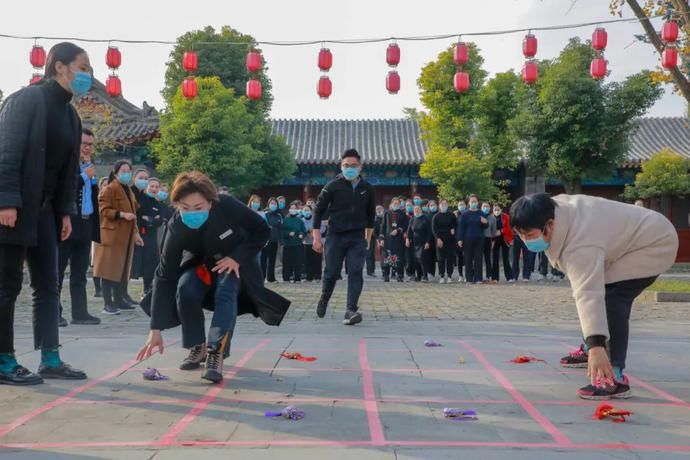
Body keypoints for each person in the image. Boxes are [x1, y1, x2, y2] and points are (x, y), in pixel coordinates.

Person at [510, 193, 678, 400]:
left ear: (549, 225)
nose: (525, 240)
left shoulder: (581, 244)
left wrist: (596, 345)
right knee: (600, 293)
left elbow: (588, 292)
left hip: (654, 244)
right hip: (628, 240)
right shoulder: (549, 209)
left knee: (612, 298)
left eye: (529, 234)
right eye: (520, 234)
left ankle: (613, 376)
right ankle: (591, 349)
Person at [137, 171, 290, 383]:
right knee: (185, 288)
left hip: (235, 261)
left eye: (198, 208)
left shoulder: (226, 205)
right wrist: (155, 329)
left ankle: (215, 352)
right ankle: (197, 346)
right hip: (200, 264)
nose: (192, 213)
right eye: (184, 208)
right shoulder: (176, 226)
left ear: (210, 202)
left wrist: (236, 258)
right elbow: (164, 275)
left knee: (226, 292)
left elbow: (261, 230)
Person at [0, 42, 91, 385]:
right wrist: (5, 201)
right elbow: (6, 153)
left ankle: (50, 357)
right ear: (60, 66)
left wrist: (65, 212)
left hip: (47, 213)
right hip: (14, 209)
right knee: (7, 285)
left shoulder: (71, 115)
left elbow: (68, 171)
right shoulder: (25, 101)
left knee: (48, 285)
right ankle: (4, 360)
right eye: (83, 67)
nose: (87, 75)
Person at [313, 149, 375, 325]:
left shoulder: (367, 188)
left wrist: (367, 240)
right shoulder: (332, 186)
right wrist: (317, 238)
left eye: (354, 166)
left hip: (357, 238)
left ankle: (351, 310)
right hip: (336, 236)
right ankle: (324, 298)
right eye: (346, 165)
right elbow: (317, 212)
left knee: (355, 272)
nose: (350, 168)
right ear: (341, 166)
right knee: (332, 273)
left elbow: (371, 217)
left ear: (360, 167)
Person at [57, 129, 101, 326]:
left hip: (85, 222)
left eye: (90, 144)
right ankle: (53, 311)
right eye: (84, 143)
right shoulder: (65, 163)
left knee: (80, 272)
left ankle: (80, 312)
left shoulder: (88, 166)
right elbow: (62, 187)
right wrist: (83, 176)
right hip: (68, 222)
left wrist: (89, 178)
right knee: (57, 270)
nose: (87, 148)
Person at [93, 160, 144, 315]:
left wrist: (136, 233)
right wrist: (121, 214)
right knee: (108, 270)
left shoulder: (128, 190)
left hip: (126, 236)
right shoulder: (109, 189)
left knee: (121, 270)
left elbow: (134, 214)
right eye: (123, 171)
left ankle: (119, 299)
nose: (127, 174)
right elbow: (103, 210)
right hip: (112, 234)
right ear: (115, 172)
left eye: (129, 170)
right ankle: (108, 303)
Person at [131, 176, 165, 296]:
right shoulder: (142, 200)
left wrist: (149, 219)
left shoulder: (158, 203)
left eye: (156, 187)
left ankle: (147, 289)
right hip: (139, 235)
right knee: (135, 264)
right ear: (147, 187)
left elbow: (160, 220)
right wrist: (151, 219)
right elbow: (139, 216)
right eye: (152, 186)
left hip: (152, 237)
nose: (154, 189)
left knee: (151, 264)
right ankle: (122, 292)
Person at [457, 195, 488, 284]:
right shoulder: (465, 214)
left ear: (478, 203)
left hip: (479, 239)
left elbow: (485, 226)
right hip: (467, 239)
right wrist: (460, 239)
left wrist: (485, 222)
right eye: (472, 202)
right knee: (468, 259)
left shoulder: (481, 213)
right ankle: (469, 279)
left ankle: (478, 278)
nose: (474, 203)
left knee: (478, 259)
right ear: (469, 203)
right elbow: (461, 227)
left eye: (475, 201)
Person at [380, 198, 408, 283]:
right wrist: (381, 238)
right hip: (388, 240)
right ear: (391, 203)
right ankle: (386, 275)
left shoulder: (403, 214)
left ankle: (399, 275)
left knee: (399, 257)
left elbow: (405, 226)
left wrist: (398, 230)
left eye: (398, 203)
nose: (396, 204)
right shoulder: (387, 213)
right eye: (394, 203)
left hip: (398, 240)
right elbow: (383, 226)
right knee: (386, 256)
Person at [407, 205, 433, 282]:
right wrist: (408, 239)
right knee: (416, 259)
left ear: (421, 210)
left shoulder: (426, 219)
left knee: (422, 258)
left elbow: (429, 232)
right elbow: (409, 231)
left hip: (423, 242)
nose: (416, 211)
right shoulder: (412, 219)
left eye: (418, 209)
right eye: (415, 209)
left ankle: (425, 276)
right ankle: (419, 276)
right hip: (414, 243)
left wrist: (428, 242)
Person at [92, 176, 109, 298]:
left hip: (110, 234)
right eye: (104, 184)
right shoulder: (96, 200)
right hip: (97, 233)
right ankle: (98, 289)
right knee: (97, 262)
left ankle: (107, 288)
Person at [432, 199, 456, 283]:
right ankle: (441, 276)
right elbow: (433, 229)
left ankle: (449, 276)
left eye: (445, 204)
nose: (444, 205)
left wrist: (453, 229)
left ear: (448, 205)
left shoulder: (452, 215)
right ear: (439, 205)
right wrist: (438, 239)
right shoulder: (436, 216)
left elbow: (455, 224)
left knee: (450, 258)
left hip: (450, 239)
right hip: (440, 239)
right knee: (441, 259)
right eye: (442, 204)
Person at [282, 202, 306, 283]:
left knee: (298, 262)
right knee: (287, 262)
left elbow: (303, 230)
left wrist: (302, 234)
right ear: (289, 209)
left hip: (298, 244)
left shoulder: (300, 220)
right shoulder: (285, 220)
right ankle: (286, 278)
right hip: (288, 244)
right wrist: (288, 233)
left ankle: (297, 278)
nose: (293, 210)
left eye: (295, 208)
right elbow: (281, 231)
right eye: (291, 208)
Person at [261, 198, 283, 283]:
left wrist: (281, 241)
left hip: (274, 240)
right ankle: (262, 277)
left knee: (272, 260)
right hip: (265, 241)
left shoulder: (279, 216)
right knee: (263, 260)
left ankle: (271, 278)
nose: (273, 205)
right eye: (272, 203)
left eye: (275, 203)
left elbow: (281, 229)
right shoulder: (264, 214)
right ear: (268, 204)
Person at [491, 204, 513, 283]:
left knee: (506, 259)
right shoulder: (491, 217)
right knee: (495, 259)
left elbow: (509, 228)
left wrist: (501, 231)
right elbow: (489, 229)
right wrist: (492, 239)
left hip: (505, 239)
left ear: (501, 210)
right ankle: (495, 278)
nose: (496, 211)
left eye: (498, 210)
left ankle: (509, 277)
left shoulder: (506, 217)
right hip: (495, 240)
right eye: (495, 210)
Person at [302, 205, 322, 282]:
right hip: (306, 243)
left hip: (316, 242)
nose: (306, 212)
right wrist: (307, 231)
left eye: (308, 210)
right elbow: (300, 229)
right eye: (305, 210)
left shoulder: (315, 219)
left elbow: (322, 228)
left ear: (311, 211)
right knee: (307, 260)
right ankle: (308, 277)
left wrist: (314, 232)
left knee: (317, 260)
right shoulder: (301, 220)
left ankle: (317, 276)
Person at [481, 202, 497, 284]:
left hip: (488, 239)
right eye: (484, 206)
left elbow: (494, 231)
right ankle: (478, 276)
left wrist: (493, 240)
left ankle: (488, 275)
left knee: (487, 258)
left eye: (487, 206)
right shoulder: (478, 216)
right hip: (479, 239)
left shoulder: (492, 218)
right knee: (478, 258)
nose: (486, 208)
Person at [366, 205, 384, 277]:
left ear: (383, 209)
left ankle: (385, 271)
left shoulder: (385, 217)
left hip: (384, 238)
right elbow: (372, 230)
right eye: (377, 209)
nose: (379, 210)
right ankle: (370, 271)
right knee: (370, 255)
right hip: (372, 239)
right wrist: (377, 239)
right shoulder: (374, 219)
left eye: (380, 209)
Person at [455, 200, 467, 282]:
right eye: (460, 204)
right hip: (458, 239)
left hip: (467, 239)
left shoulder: (468, 214)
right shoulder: (455, 215)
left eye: (463, 204)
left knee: (467, 258)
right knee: (459, 258)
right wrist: (458, 239)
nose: (461, 206)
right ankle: (460, 275)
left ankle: (467, 274)